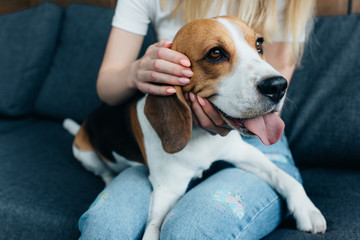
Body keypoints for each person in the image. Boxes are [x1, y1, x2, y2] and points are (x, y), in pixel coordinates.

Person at [79, 0, 315, 239]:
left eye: (257, 45)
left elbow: (269, 81)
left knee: (187, 233)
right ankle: (108, 173)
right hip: (173, 127)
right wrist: (135, 72)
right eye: (216, 53)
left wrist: (293, 189)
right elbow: (106, 87)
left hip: (257, 132)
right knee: (104, 229)